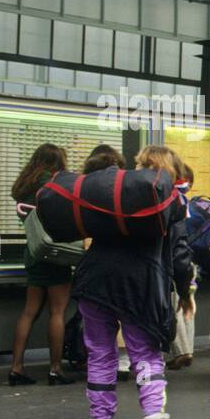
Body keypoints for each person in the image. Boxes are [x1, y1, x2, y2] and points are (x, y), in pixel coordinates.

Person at [72, 145, 191, 419]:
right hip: (138, 286)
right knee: (145, 355)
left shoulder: (114, 191)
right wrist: (185, 291)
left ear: (139, 164)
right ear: (172, 171)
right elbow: (179, 253)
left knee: (99, 355)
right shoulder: (170, 198)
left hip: (93, 280)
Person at [9, 143, 76, 386]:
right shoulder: (54, 185)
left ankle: (16, 367)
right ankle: (55, 369)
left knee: (29, 311)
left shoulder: (25, 186)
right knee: (57, 311)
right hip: (55, 253)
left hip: (34, 252)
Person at [80, 145, 133, 381]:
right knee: (121, 312)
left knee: (98, 317)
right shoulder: (126, 191)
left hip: (93, 266)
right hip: (122, 263)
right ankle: (122, 361)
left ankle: (101, 365)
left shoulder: (84, 191)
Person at [166, 160, 198, 370]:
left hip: (175, 261)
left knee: (175, 304)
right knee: (189, 303)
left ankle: (182, 350)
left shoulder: (172, 201)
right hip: (191, 260)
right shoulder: (189, 202)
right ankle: (190, 349)